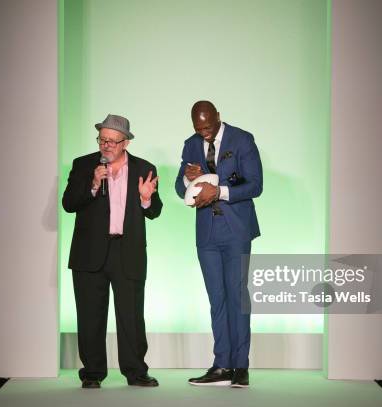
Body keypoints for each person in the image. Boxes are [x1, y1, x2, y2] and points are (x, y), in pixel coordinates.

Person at [63, 114, 162, 389]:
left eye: (112, 141)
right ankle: (92, 373)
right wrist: (93, 184)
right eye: (102, 139)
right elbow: (69, 203)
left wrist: (146, 198)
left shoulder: (145, 168)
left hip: (126, 251)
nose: (105, 145)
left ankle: (136, 371)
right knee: (90, 315)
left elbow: (155, 211)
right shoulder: (84, 165)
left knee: (131, 315)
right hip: (89, 252)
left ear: (125, 142)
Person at [175, 101, 263, 388]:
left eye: (208, 128)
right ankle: (221, 364)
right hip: (207, 233)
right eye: (199, 129)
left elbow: (255, 185)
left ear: (218, 118)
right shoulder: (191, 144)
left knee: (238, 297)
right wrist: (188, 180)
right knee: (217, 301)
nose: (205, 134)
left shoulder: (242, 139)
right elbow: (179, 187)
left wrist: (220, 191)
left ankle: (241, 367)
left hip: (236, 229)